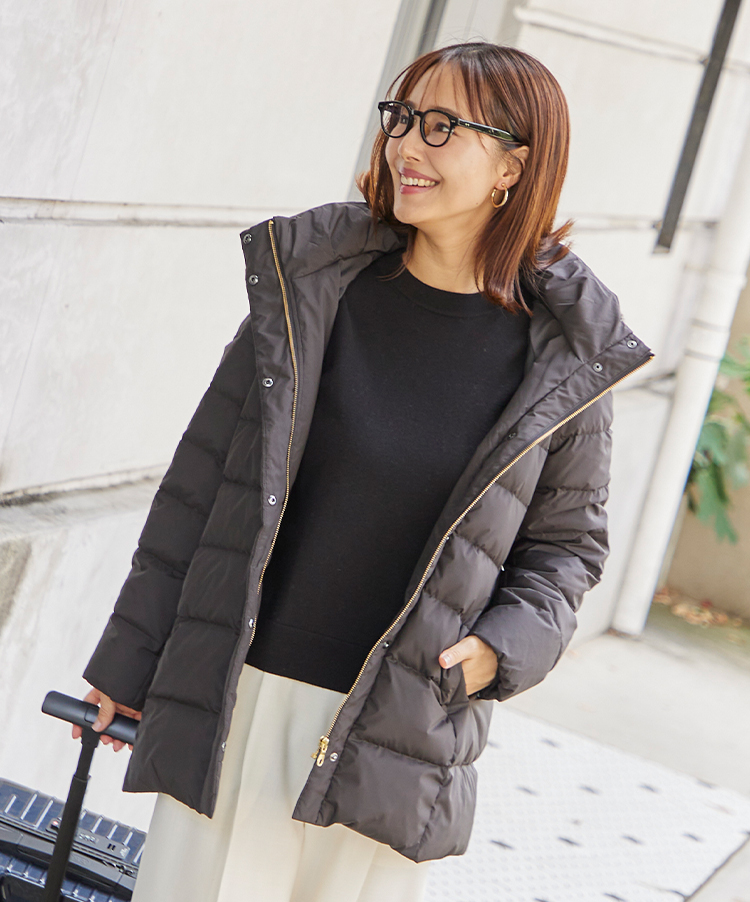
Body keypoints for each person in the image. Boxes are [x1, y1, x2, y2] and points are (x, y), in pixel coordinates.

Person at [73, 42, 652, 902]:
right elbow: (199, 491)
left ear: (512, 167)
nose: (407, 145)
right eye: (403, 118)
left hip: (397, 730)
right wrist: (128, 661)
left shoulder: (565, 359)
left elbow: (566, 552)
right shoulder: (311, 292)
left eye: (442, 126)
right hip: (240, 702)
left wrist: (493, 655)